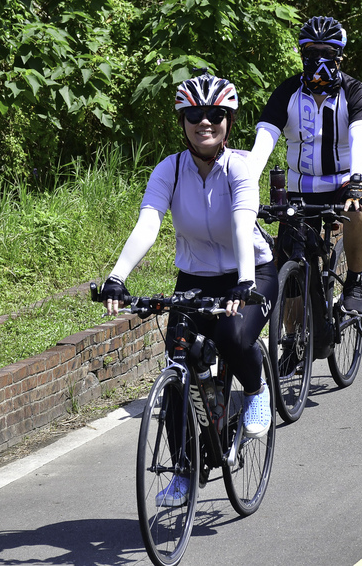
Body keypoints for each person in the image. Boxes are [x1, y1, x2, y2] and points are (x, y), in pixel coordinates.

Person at [98, 71, 278, 507]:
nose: (205, 123)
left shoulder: (240, 167)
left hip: (251, 270)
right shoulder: (170, 169)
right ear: (183, 121)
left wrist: (245, 281)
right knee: (178, 370)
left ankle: (255, 390)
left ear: (228, 122)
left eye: (215, 115)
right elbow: (149, 222)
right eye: (195, 115)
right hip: (195, 278)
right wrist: (118, 276)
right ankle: (184, 470)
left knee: (235, 336)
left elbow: (240, 222)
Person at [248, 16, 362, 324]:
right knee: (288, 269)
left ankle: (355, 282)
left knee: (357, 211)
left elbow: (360, 138)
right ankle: (293, 342)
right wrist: (246, 182)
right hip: (300, 187)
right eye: (310, 52)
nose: (318, 60)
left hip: (345, 180)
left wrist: (357, 180)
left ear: (340, 55)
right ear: (301, 54)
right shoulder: (287, 92)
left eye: (328, 53)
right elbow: (263, 142)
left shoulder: (354, 92)